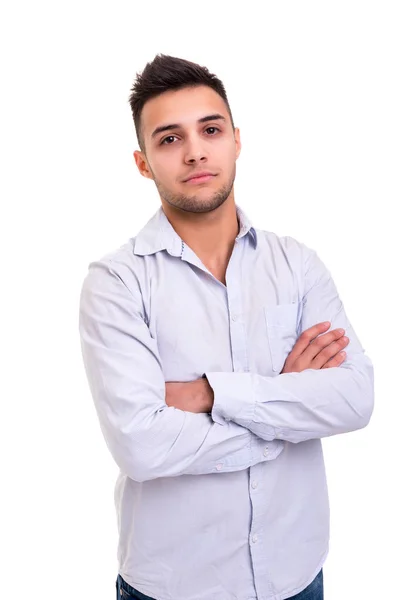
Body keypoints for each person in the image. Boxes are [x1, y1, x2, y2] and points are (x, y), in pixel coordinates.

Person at [78, 54, 374, 600]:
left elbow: (355, 399)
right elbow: (140, 445)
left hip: (297, 577)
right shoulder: (116, 283)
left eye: (210, 130)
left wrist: (208, 393)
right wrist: (287, 409)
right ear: (143, 164)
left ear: (236, 140)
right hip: (173, 587)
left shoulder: (297, 264)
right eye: (169, 139)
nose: (195, 151)